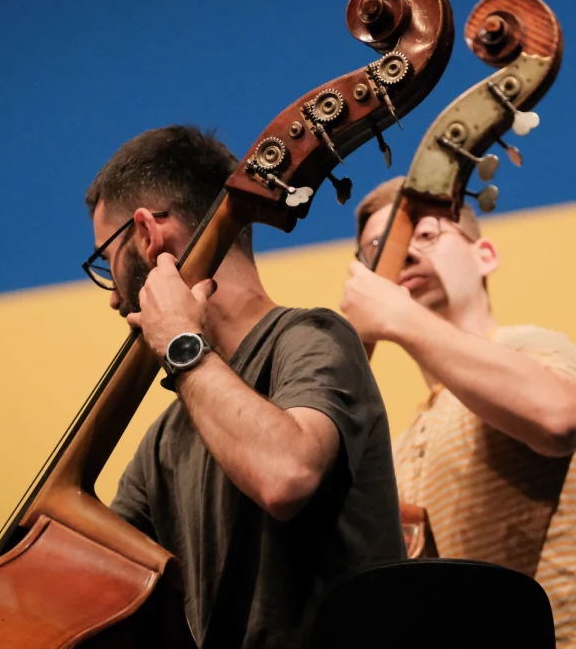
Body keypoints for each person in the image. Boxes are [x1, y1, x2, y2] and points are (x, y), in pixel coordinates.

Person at [83, 125, 405, 649]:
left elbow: (286, 474)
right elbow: (101, 587)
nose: (115, 298)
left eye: (107, 260)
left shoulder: (313, 338)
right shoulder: (165, 439)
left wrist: (179, 345)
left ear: (146, 233)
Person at [339, 177, 576, 649]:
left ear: (485, 255)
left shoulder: (532, 347)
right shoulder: (406, 436)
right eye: (380, 249)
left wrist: (399, 316)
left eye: (427, 234)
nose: (404, 254)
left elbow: (560, 419)